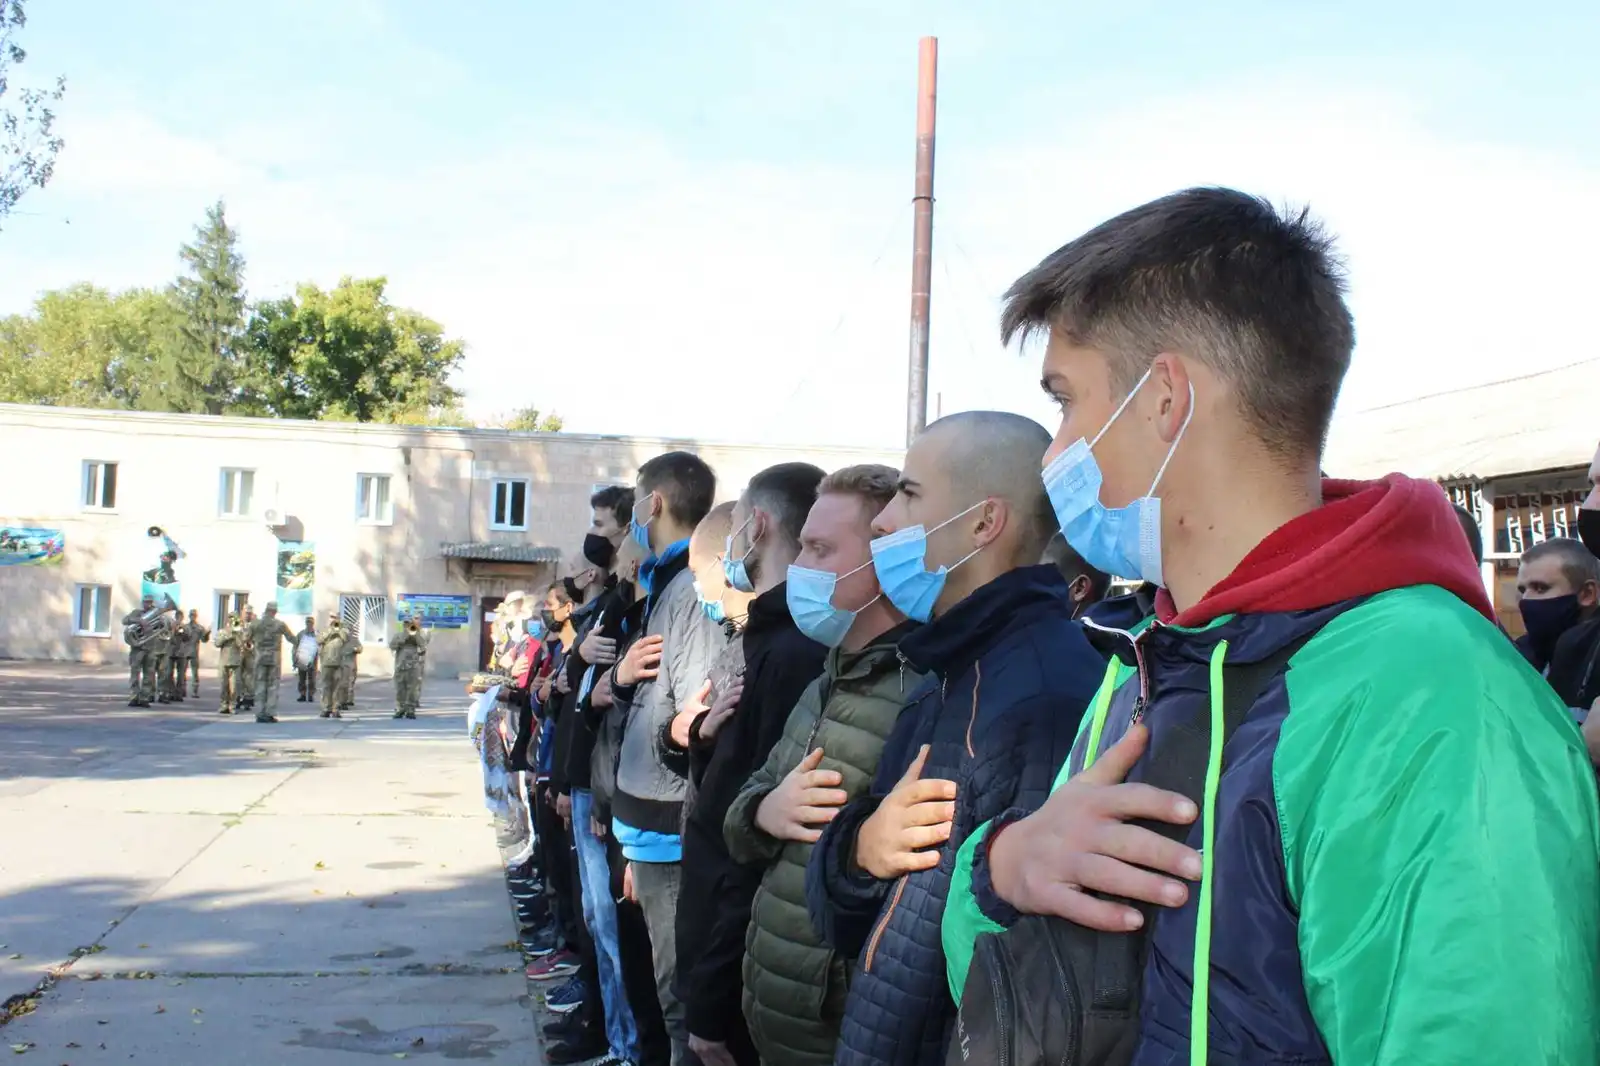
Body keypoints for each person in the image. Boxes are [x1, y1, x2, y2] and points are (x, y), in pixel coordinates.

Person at [940, 187, 1600, 1063]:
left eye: (1065, 401)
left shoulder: (1433, 695)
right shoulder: (1149, 655)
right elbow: (1016, 994)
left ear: (1163, 399)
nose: (1053, 453)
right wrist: (1004, 868)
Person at [805, 411, 1104, 1066]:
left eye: (909, 494)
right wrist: (861, 850)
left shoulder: (1042, 694)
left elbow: (1024, 982)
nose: (883, 521)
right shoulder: (948, 669)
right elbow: (863, 915)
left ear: (983, 522)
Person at [723, 464, 915, 1066]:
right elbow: (740, 815)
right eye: (803, 545)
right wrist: (764, 811)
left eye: (821, 550)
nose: (800, 566)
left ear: (884, 561)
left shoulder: (918, 689)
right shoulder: (828, 676)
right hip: (778, 1013)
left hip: (834, 1027)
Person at [679, 463, 828, 1066]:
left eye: (736, 524)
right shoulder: (766, 637)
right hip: (721, 951)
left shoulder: (793, 650)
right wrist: (704, 741)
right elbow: (734, 794)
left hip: (736, 968)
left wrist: (710, 997)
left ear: (757, 526)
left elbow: (755, 846)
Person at [607, 450, 722, 1066]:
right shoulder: (665, 584)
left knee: (681, 1010)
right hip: (649, 834)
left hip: (671, 835)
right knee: (663, 993)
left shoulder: (689, 590)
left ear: (652, 504)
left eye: (633, 502)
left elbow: (695, 721)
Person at [573, 486, 673, 1066]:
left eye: (612, 532)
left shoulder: (658, 609)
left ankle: (627, 1045)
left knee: (638, 957)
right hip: (614, 804)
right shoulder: (623, 612)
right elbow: (596, 709)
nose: (612, 551)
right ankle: (620, 1041)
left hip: (643, 822)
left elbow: (651, 724)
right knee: (610, 936)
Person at [1517, 537, 1600, 713]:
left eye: (1540, 588)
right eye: (1523, 590)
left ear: (1587, 594)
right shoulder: (1516, 656)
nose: (1526, 600)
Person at [248, 602, 297, 724]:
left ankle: (260, 713)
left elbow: (245, 638)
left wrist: (253, 644)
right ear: (274, 611)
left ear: (266, 610)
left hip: (259, 659)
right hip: (274, 660)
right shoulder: (280, 624)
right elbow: (292, 638)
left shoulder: (255, 624)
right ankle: (270, 713)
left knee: (260, 685)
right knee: (273, 686)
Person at [122, 594, 159, 707]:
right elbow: (124, 620)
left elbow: (164, 625)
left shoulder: (157, 615)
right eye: (146, 602)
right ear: (143, 603)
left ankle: (144, 698)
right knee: (135, 673)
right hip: (137, 648)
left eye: (150, 602)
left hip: (150, 648)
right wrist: (139, 621)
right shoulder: (136, 613)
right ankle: (134, 697)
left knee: (149, 674)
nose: (148, 604)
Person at [389, 614, 427, 719]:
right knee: (400, 689)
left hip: (413, 667)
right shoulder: (398, 635)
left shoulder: (417, 635)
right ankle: (400, 709)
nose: (407, 626)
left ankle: (410, 709)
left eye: (409, 623)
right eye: (405, 623)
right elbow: (392, 646)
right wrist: (402, 639)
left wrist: (415, 635)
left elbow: (423, 647)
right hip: (400, 666)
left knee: (412, 689)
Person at [214, 614, 245, 714]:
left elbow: (242, 644)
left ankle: (232, 705)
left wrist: (236, 635)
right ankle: (224, 705)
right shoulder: (222, 632)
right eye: (231, 619)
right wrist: (228, 635)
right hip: (224, 662)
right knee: (224, 685)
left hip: (235, 662)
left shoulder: (239, 632)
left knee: (234, 686)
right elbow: (217, 643)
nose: (233, 622)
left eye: (235, 620)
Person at [319, 616, 348, 719]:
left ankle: (335, 709)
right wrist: (330, 631)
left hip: (338, 663)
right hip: (326, 663)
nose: (334, 620)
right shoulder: (325, 631)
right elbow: (319, 640)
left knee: (337, 687)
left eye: (335, 618)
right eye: (332, 618)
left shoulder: (343, 631)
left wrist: (338, 629)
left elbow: (346, 638)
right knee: (326, 687)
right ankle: (326, 708)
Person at [181, 609, 210, 699]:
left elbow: (204, 640)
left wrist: (207, 634)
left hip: (194, 652)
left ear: (196, 616)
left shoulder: (200, 628)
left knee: (195, 673)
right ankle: (182, 690)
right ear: (189, 616)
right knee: (182, 672)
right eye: (191, 615)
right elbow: (181, 638)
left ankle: (194, 691)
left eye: (194, 615)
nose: (192, 617)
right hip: (185, 651)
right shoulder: (185, 627)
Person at [294, 616, 320, 703]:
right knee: (302, 678)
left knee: (312, 678)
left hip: (313, 660)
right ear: (306, 623)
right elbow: (296, 645)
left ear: (313, 623)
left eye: (311, 622)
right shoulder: (301, 634)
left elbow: (321, 645)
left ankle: (311, 695)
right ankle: (303, 694)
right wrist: (295, 658)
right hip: (302, 658)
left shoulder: (317, 634)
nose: (309, 624)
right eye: (308, 622)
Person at [337, 624, 362, 710]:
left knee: (349, 683)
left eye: (349, 630)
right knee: (340, 684)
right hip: (340, 664)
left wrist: (355, 649)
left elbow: (360, 648)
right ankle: (340, 701)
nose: (347, 632)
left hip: (350, 664)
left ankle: (348, 700)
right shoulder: (339, 639)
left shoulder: (354, 640)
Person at [238, 605, 257, 712]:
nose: (247, 615)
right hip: (239, 653)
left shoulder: (254, 625)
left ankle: (248, 699)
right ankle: (238, 697)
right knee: (238, 676)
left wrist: (252, 644)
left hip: (250, 653)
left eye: (249, 613)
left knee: (249, 677)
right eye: (246, 613)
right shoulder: (237, 623)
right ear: (242, 613)